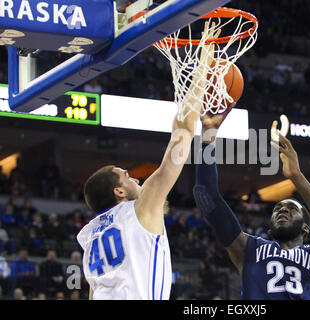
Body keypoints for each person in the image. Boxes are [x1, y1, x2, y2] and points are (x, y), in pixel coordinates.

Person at [76, 23, 219, 300]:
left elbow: (94, 294)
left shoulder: (90, 236)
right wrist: (204, 63)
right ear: (118, 192)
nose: (137, 178)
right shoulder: (138, 208)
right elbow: (184, 133)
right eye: (127, 176)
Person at [193, 114, 310, 299]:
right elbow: (206, 194)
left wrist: (297, 177)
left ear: (305, 227)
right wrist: (208, 133)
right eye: (277, 209)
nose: (282, 210)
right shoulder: (249, 248)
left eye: (292, 209)